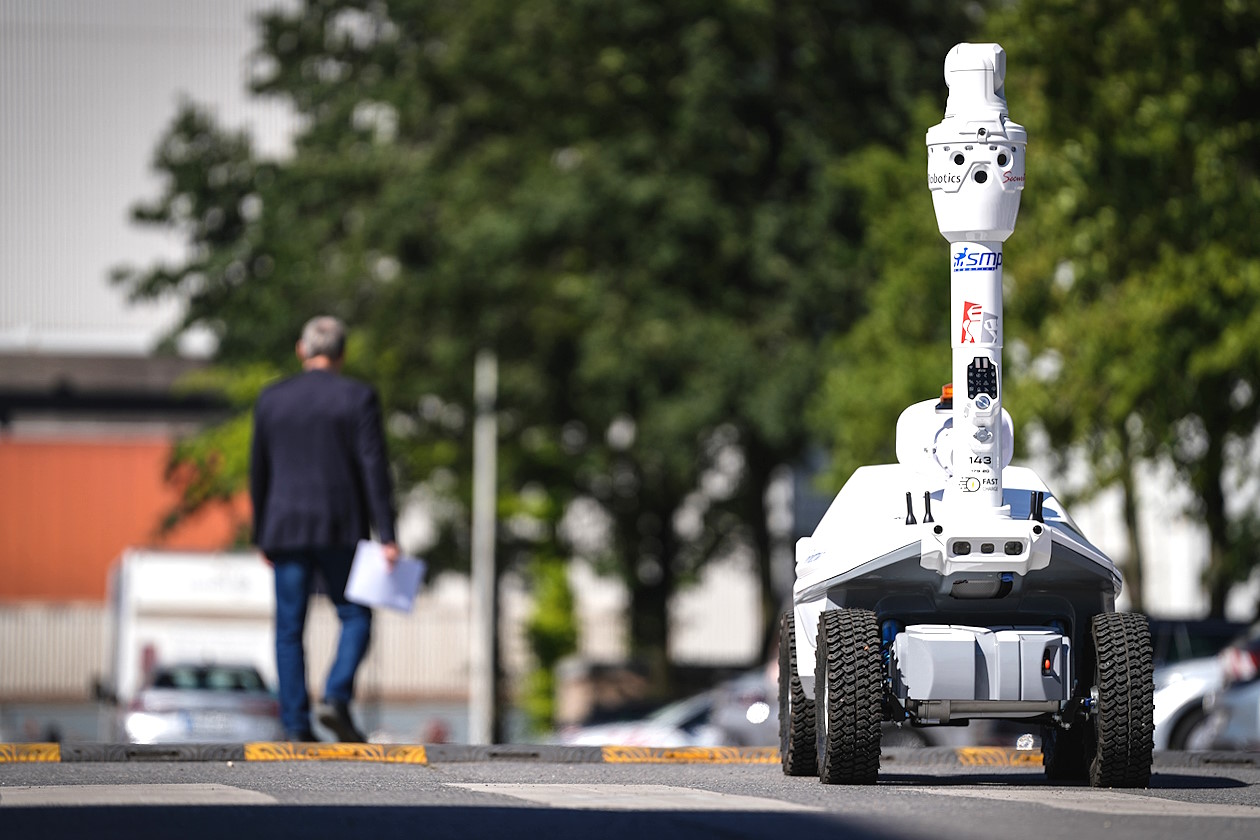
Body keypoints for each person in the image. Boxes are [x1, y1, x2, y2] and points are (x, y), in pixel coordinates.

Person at [250, 316, 399, 742]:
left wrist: (261, 532)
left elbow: (258, 470)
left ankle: (296, 725)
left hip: (284, 527)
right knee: (355, 614)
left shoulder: (272, 399)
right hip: (340, 526)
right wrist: (386, 534)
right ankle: (335, 695)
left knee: (288, 628)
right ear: (343, 353)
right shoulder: (358, 397)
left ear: (302, 350)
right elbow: (374, 468)